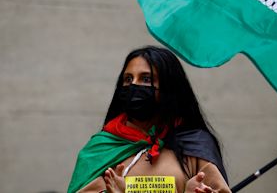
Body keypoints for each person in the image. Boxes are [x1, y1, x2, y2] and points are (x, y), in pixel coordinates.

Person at [68, 46, 231, 193]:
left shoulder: (195, 145)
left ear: (169, 88)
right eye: (128, 79)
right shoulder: (100, 150)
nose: (133, 86)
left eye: (146, 79)